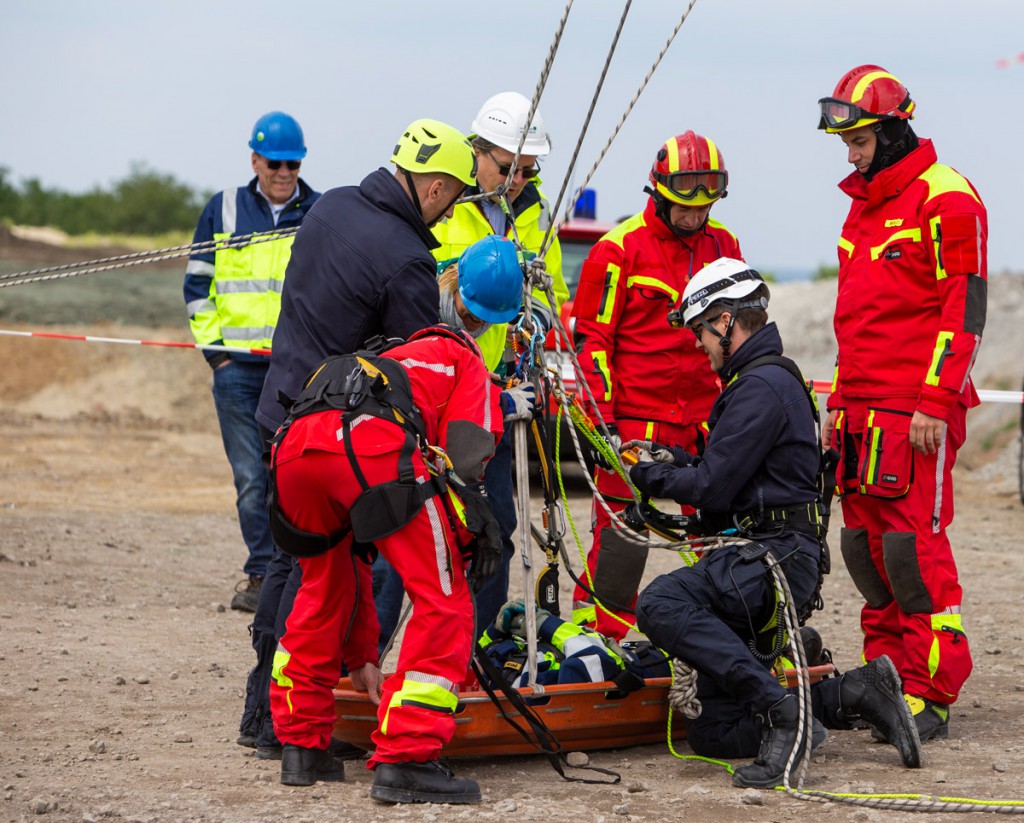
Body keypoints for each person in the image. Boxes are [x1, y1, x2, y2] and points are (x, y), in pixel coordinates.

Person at [236, 122, 492, 760]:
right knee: (325, 577)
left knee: (289, 565)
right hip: (340, 435)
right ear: (434, 187)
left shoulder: (331, 206)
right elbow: (409, 374)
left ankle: (267, 718)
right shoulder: (407, 258)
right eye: (455, 195)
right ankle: (283, 723)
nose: (452, 206)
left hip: (281, 413)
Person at [629, 257, 921, 787]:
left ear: (724, 321)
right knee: (716, 732)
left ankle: (786, 715)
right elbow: (724, 487)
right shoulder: (758, 383)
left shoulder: (760, 387)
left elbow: (713, 489)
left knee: (659, 603)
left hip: (773, 560)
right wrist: (671, 464)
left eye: (700, 331)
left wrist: (649, 477)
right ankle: (854, 693)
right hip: (771, 559)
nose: (699, 345)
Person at [817, 65, 988, 743]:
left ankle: (930, 690)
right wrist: (837, 392)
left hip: (915, 411)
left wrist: (934, 400)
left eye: (858, 141)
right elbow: (854, 314)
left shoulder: (948, 200)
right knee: (865, 548)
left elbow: (965, 314)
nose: (851, 154)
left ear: (891, 131)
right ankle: (883, 679)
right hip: (861, 408)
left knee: (914, 551)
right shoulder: (862, 204)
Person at [267, 326, 503, 804]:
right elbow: (467, 452)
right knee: (444, 596)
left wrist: (361, 658)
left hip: (293, 448)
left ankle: (301, 745)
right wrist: (469, 531)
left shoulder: (381, 359)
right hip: (368, 442)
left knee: (326, 585)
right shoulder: (465, 358)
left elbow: (353, 580)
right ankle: (408, 756)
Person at [569, 131, 743, 640]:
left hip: (706, 419)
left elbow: (742, 330)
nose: (694, 218)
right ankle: (599, 638)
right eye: (684, 208)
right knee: (623, 536)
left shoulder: (724, 245)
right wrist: (601, 425)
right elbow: (593, 345)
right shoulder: (617, 250)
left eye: (704, 207)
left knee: (719, 532)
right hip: (636, 422)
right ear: (659, 193)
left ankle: (727, 634)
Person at [430, 91, 569, 634]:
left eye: (527, 171)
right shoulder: (444, 200)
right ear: (478, 150)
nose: (517, 182)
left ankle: (476, 652)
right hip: (441, 391)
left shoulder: (532, 211)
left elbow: (548, 285)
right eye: (509, 169)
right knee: (425, 528)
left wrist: (530, 316)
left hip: (500, 394)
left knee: (497, 530)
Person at [183, 111, 320, 612]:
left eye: (293, 163)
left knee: (296, 476)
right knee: (250, 480)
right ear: (255, 160)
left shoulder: (320, 212)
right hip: (236, 371)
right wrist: (216, 355)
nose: (285, 172)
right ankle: (263, 573)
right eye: (276, 163)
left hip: (298, 372)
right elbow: (197, 284)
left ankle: (298, 575)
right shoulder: (222, 210)